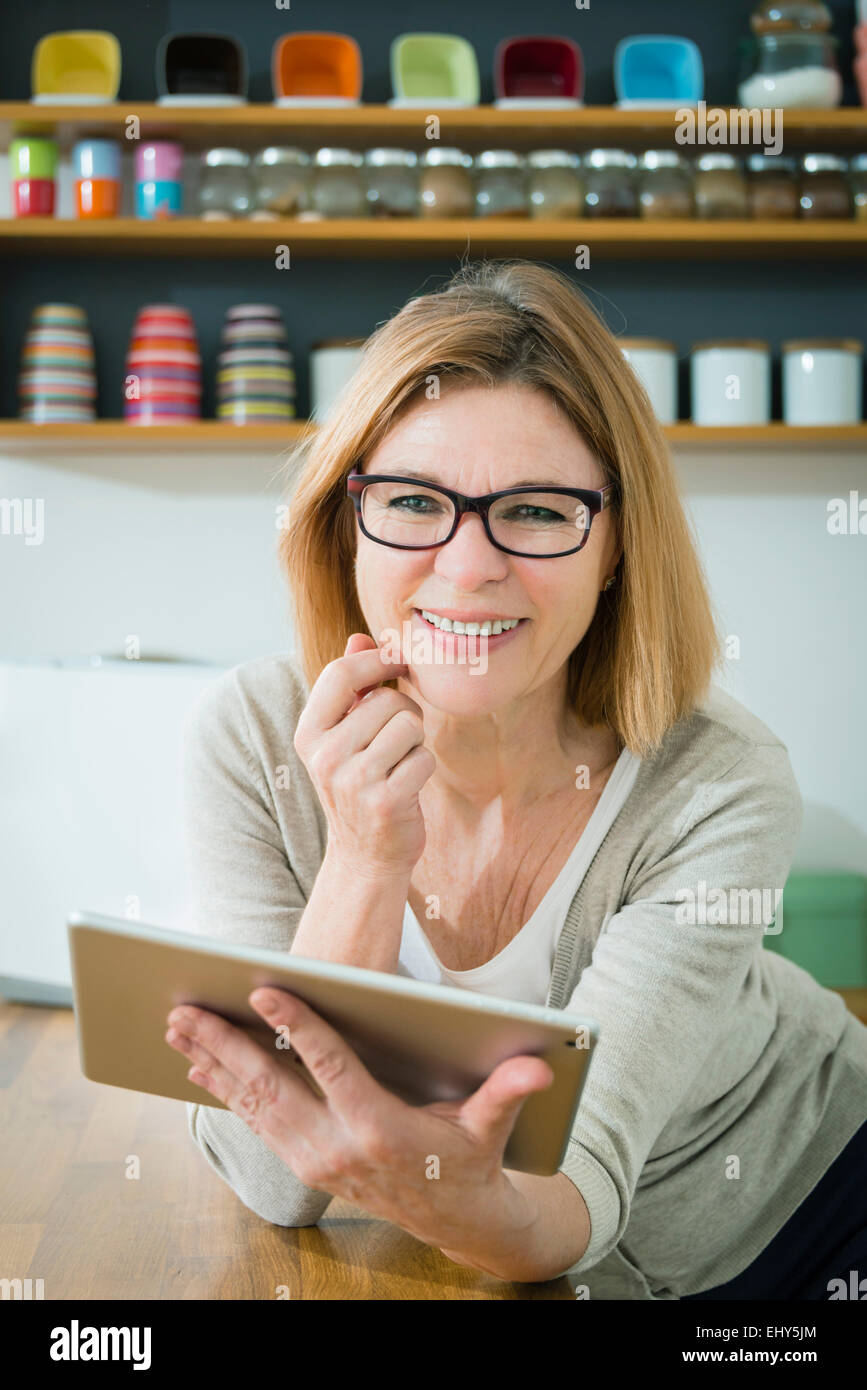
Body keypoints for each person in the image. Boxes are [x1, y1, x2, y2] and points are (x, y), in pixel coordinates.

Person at [167, 260, 867, 1299]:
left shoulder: (719, 779)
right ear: (343, 520)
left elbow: (574, 1193)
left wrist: (459, 1199)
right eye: (412, 500)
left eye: (536, 511)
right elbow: (274, 1175)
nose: (468, 563)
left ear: (618, 543)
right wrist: (363, 856)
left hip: (796, 1209)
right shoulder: (250, 736)